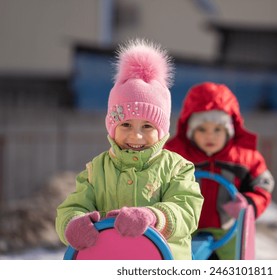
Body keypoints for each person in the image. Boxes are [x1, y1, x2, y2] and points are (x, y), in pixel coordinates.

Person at [55, 39, 204, 260]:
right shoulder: (97, 170)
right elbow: (75, 205)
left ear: (162, 130)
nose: (136, 135)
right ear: (112, 126)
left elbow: (186, 210)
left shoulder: (177, 168)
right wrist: (74, 222)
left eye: (147, 126)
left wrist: (153, 216)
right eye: (125, 125)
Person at [165, 82, 274, 259]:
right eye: (202, 129)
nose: (210, 136)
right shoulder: (174, 155)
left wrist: (248, 204)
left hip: (228, 228)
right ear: (190, 131)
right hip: (183, 229)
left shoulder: (244, 157)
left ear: (229, 130)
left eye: (217, 129)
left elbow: (263, 185)